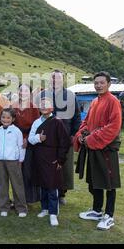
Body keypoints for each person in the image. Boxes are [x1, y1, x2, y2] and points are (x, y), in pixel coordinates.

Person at [74, 71, 122, 231]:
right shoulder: (95, 101)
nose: (98, 85)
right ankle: (96, 211)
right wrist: (81, 135)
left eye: (102, 82)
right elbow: (86, 122)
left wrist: (91, 139)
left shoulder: (113, 101)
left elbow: (113, 127)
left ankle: (109, 216)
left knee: (109, 182)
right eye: (96, 83)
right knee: (95, 180)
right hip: (93, 147)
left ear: (109, 84)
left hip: (107, 149)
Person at [38, 70, 81, 205]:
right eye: (53, 78)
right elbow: (36, 115)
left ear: (63, 80)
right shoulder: (43, 95)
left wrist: (74, 134)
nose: (55, 81)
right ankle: (46, 192)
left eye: (58, 78)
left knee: (63, 167)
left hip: (65, 137)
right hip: (46, 138)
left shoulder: (70, 95)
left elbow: (77, 116)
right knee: (47, 166)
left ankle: (61, 194)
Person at [28, 98, 70, 226]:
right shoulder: (36, 122)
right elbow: (30, 139)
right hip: (39, 157)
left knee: (52, 186)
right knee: (42, 185)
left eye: (46, 104)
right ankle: (45, 209)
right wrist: (38, 138)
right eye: (41, 105)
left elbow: (64, 142)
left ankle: (53, 213)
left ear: (52, 108)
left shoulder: (57, 122)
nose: (44, 106)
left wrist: (60, 160)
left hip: (53, 157)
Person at [0, 108, 27, 217]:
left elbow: (21, 146)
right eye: (3, 117)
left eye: (8, 117)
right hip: (0, 161)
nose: (5, 119)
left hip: (13, 161)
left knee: (17, 184)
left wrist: (21, 159)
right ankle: (4, 207)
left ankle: (21, 208)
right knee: (2, 184)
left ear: (12, 119)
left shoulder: (16, 131)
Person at [12, 84, 41, 203]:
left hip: (29, 142)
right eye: (20, 90)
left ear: (29, 94)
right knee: (16, 172)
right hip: (15, 141)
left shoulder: (34, 108)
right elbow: (9, 123)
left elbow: (37, 126)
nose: (22, 93)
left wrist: (28, 139)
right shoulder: (12, 106)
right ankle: (17, 198)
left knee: (27, 171)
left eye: (25, 91)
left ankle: (29, 198)